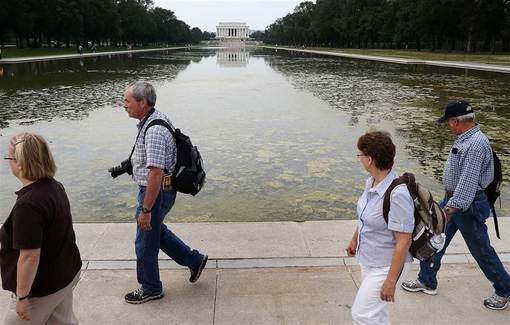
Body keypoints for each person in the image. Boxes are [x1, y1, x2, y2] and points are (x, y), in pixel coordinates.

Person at [401, 100, 510, 310]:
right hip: (454, 200)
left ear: (455, 122)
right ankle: (427, 280)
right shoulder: (465, 138)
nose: (448, 126)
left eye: (448, 122)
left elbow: (468, 185)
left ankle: (504, 288)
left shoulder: (476, 145)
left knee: (481, 251)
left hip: (466, 206)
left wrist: (448, 211)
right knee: (433, 240)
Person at [121, 81, 208, 304]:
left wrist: (146, 209)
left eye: (127, 101)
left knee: (144, 243)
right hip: (157, 191)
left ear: (143, 102)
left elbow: (156, 174)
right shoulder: (152, 119)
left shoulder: (155, 130)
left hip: (156, 193)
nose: (124, 105)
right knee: (156, 233)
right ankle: (194, 260)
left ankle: (151, 287)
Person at [0, 133, 82, 324]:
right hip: (64, 276)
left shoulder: (28, 204)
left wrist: (21, 297)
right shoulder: (54, 187)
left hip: (41, 289)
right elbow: (41, 231)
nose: (7, 162)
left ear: (20, 163)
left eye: (9, 158)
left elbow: (29, 256)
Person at [347, 131, 414, 325]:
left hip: (387, 265)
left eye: (360, 155)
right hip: (369, 259)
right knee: (376, 313)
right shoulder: (372, 182)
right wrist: (355, 238)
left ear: (370, 159)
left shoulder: (397, 194)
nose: (359, 158)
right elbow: (366, 216)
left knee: (361, 315)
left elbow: (404, 240)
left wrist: (391, 281)